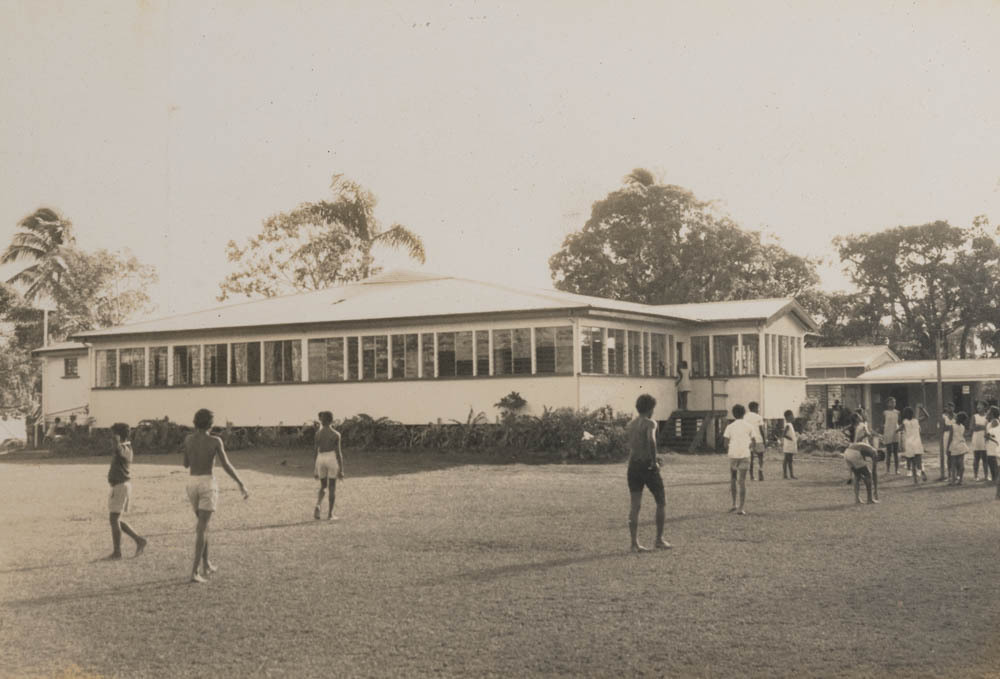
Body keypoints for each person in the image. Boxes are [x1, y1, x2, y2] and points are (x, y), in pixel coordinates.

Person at [182, 408, 249, 583]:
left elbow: (185, 464)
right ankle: (194, 572)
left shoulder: (188, 439)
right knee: (202, 528)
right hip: (207, 483)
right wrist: (240, 482)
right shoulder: (215, 440)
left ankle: (206, 564)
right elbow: (226, 465)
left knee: (203, 526)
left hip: (191, 483)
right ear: (210, 424)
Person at [626, 394, 671, 552]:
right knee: (660, 501)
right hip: (647, 467)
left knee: (635, 505)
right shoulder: (650, 423)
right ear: (651, 408)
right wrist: (654, 462)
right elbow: (651, 440)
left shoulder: (630, 424)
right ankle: (659, 539)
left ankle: (634, 543)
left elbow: (636, 446)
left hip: (633, 466)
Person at [105, 423, 147, 560]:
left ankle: (117, 552)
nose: (110, 437)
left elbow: (117, 449)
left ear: (118, 435)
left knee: (114, 518)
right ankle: (138, 540)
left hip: (121, 486)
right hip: (118, 485)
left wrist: (116, 440)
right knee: (115, 519)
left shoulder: (125, 448)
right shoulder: (124, 447)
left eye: (113, 434)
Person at [723, 404, 760, 515]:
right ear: (744, 413)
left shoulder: (730, 427)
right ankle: (741, 508)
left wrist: (731, 448)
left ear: (733, 414)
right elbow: (754, 441)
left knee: (733, 479)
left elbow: (725, 443)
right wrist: (749, 448)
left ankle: (734, 504)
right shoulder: (749, 426)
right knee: (742, 481)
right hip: (744, 455)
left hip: (733, 455)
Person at [313, 411, 344, 520]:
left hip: (320, 458)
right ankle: (330, 514)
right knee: (332, 487)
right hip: (331, 458)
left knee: (323, 486)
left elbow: (315, 452)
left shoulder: (318, 434)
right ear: (332, 420)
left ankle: (318, 504)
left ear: (322, 420)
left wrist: (315, 469)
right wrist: (341, 470)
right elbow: (339, 453)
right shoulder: (336, 434)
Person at [898, 405, 929, 485]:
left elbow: (899, 429)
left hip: (909, 443)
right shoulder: (916, 420)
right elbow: (927, 416)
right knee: (919, 461)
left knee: (912, 462)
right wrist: (922, 409)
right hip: (917, 442)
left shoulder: (904, 422)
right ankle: (922, 471)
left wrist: (896, 431)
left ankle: (915, 479)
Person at [746, 401, 766, 481]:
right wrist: (764, 440)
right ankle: (760, 472)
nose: (758, 409)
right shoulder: (758, 417)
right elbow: (761, 430)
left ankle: (751, 476)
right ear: (754, 408)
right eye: (758, 408)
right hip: (758, 440)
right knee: (760, 457)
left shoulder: (745, 417)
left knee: (751, 459)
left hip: (749, 440)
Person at [948, 411, 970, 485]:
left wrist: (948, 447)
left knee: (953, 464)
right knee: (961, 463)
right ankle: (960, 480)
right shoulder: (962, 427)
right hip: (961, 445)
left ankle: (953, 481)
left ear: (957, 418)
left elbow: (950, 438)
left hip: (954, 445)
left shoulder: (952, 426)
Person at [882, 397, 901, 475]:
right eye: (891, 402)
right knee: (889, 452)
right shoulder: (885, 412)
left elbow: (899, 422)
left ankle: (897, 469)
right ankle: (888, 470)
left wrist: (898, 429)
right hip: (887, 432)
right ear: (887, 404)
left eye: (894, 402)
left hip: (895, 432)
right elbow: (883, 422)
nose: (893, 404)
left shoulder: (898, 412)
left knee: (896, 452)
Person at [971, 401, 989, 482]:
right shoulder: (974, 416)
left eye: (980, 406)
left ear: (985, 407)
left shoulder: (988, 416)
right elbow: (973, 427)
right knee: (976, 458)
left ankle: (986, 475)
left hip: (985, 438)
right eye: (977, 406)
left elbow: (988, 427)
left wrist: (980, 427)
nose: (978, 407)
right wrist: (983, 427)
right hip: (976, 438)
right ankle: (975, 475)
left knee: (985, 458)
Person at [983, 406, 1000, 490]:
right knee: (990, 461)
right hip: (989, 444)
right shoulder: (989, 421)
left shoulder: (995, 421)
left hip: (993, 444)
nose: (987, 412)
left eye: (989, 411)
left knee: (993, 461)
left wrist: (987, 436)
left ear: (992, 413)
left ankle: (996, 478)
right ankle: (994, 478)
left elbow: (993, 434)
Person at [942, 402, 956, 483]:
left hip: (955, 436)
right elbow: (944, 428)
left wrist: (950, 427)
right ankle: (949, 474)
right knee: (948, 455)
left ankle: (956, 474)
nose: (949, 409)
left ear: (953, 408)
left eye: (951, 407)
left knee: (956, 454)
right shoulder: (944, 416)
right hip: (946, 436)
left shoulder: (956, 416)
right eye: (948, 407)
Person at [781, 409, 797, 479]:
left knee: (790, 460)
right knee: (786, 460)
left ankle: (791, 474)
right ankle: (785, 475)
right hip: (788, 445)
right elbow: (784, 434)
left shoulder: (790, 425)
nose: (793, 417)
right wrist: (790, 438)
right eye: (792, 416)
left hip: (791, 445)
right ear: (788, 417)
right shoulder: (787, 425)